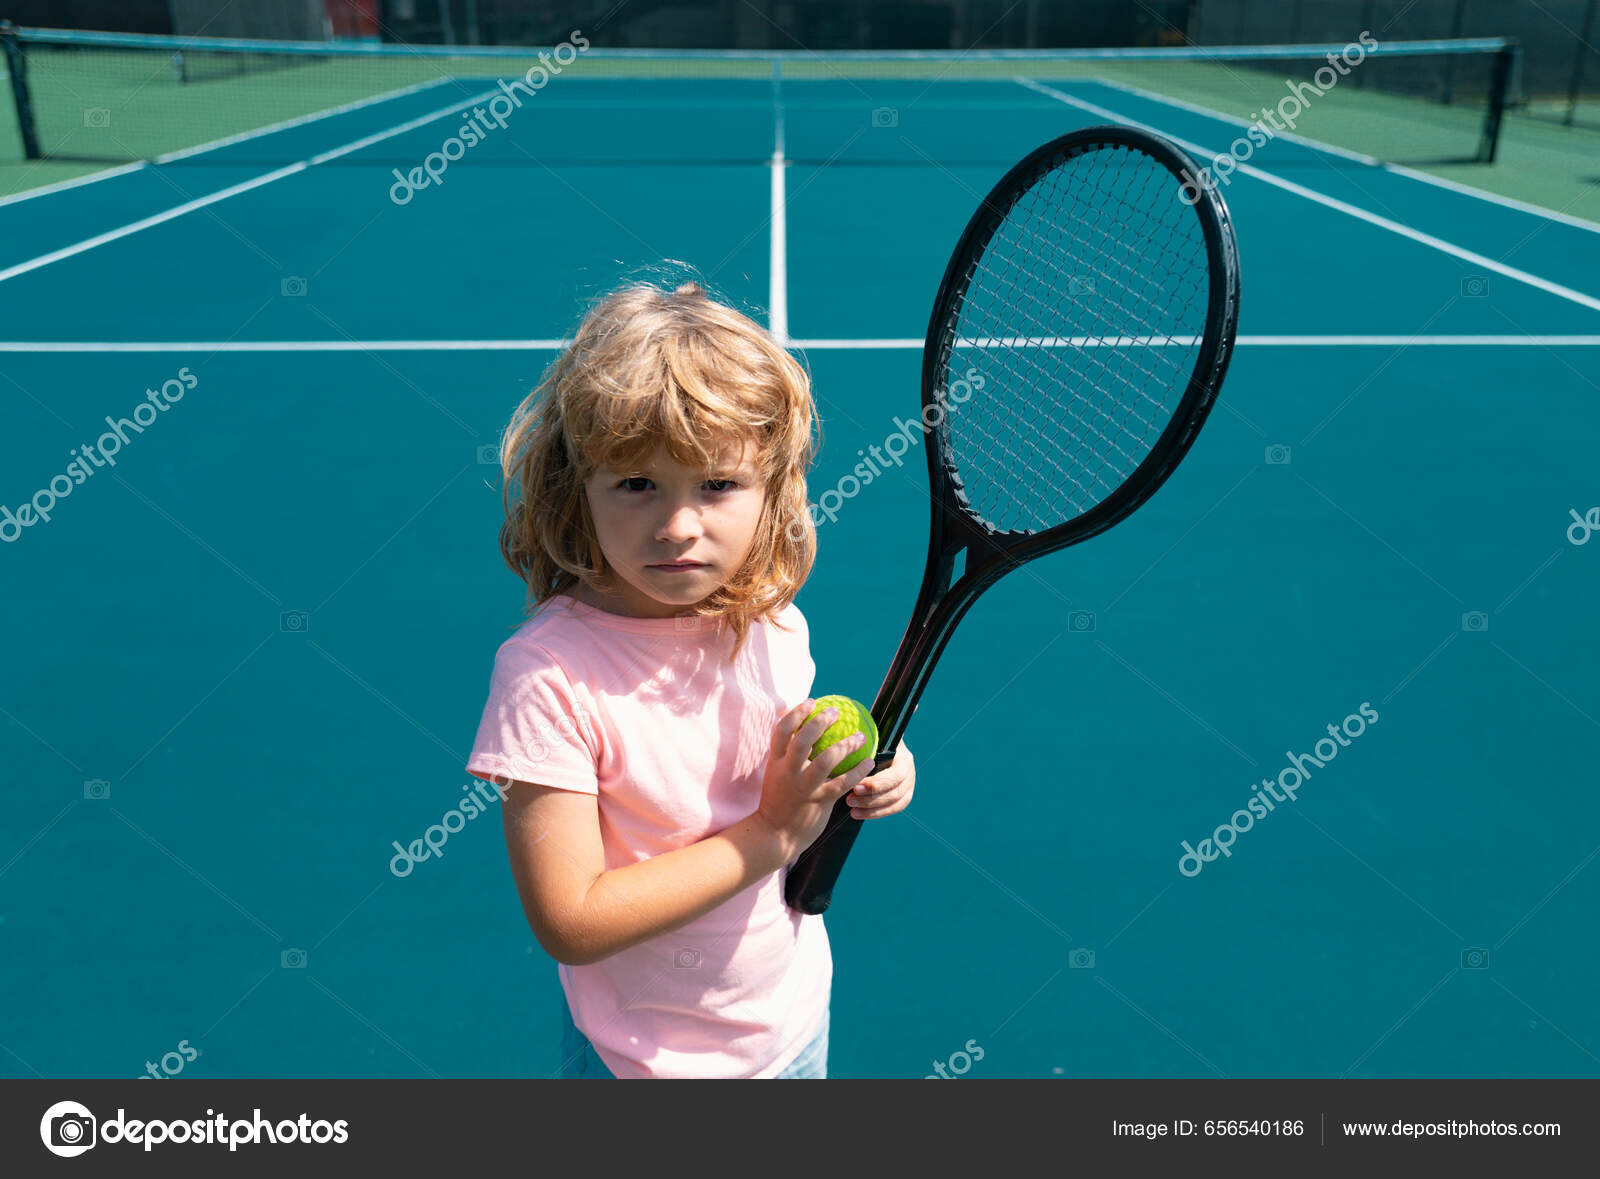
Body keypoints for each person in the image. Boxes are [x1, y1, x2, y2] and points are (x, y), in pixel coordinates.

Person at [465, 278, 916, 1079]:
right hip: (644, 1066)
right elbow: (570, 918)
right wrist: (771, 836)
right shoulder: (548, 677)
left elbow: (778, 759)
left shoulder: (771, 619)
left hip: (790, 1024)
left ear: (770, 490)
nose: (678, 525)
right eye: (637, 484)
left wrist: (861, 770)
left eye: (718, 484)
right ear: (581, 488)